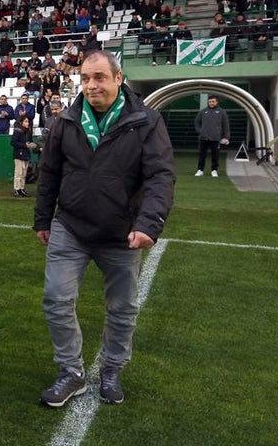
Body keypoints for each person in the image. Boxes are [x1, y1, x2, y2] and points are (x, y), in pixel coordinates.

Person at [34, 51, 176, 407]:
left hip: (121, 233)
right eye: (85, 78)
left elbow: (160, 177)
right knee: (56, 299)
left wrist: (148, 223)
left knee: (122, 308)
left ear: (118, 78)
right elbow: (50, 172)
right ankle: (71, 371)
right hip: (70, 226)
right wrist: (42, 219)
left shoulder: (146, 121)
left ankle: (112, 368)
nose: (91, 85)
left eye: (99, 77)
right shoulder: (67, 120)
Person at [193, 96, 230, 177]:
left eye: (213, 101)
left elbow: (226, 125)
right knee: (202, 155)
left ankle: (214, 170)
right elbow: (196, 122)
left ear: (216, 102)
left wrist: (226, 137)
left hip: (216, 138)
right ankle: (200, 170)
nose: (211, 103)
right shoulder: (203, 111)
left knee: (215, 155)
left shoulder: (222, 112)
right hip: (203, 137)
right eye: (210, 102)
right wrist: (200, 131)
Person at [11, 114, 34, 197]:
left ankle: (22, 188)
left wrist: (32, 144)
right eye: (26, 121)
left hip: (26, 154)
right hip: (19, 155)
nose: (28, 123)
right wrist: (25, 145)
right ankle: (17, 189)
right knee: (19, 173)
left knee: (24, 173)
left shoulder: (28, 131)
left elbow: (30, 141)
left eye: (28, 121)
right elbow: (13, 142)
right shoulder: (17, 131)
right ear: (21, 123)